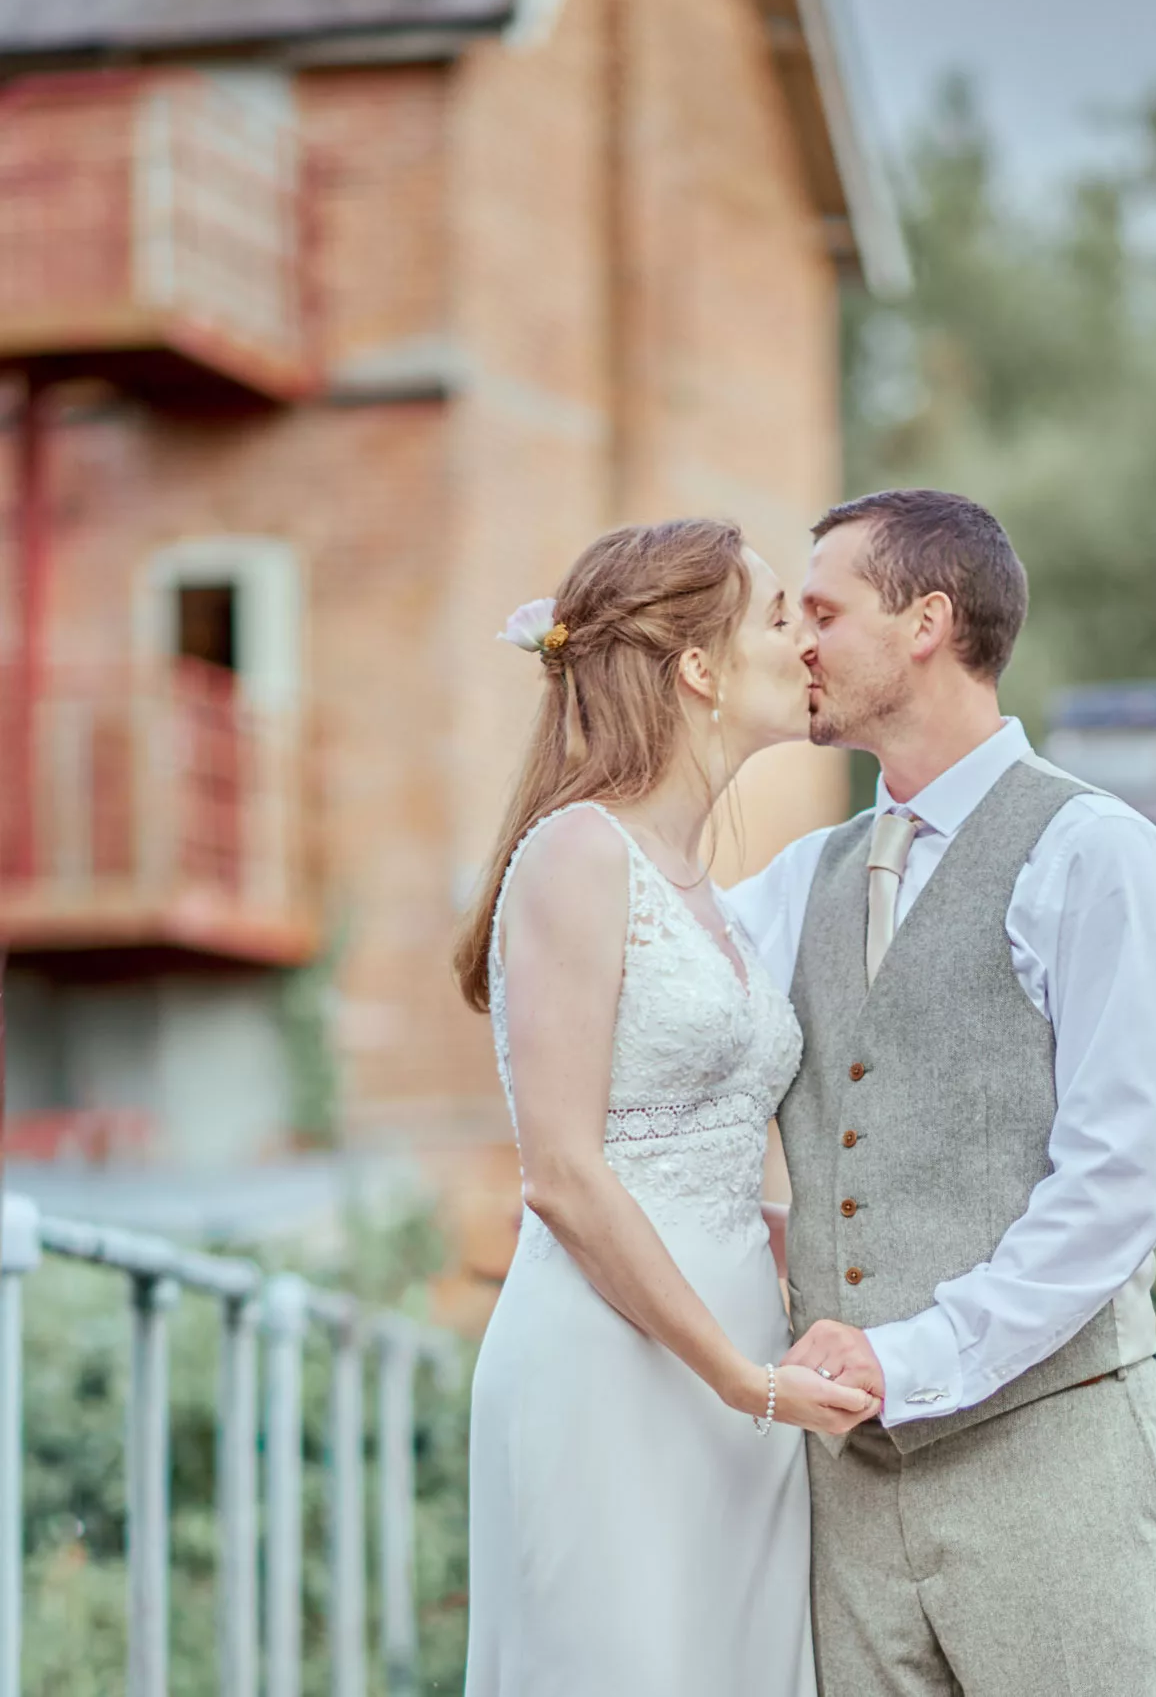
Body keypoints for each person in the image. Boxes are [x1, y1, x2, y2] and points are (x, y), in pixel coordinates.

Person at [724, 487, 1156, 1697]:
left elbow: (1121, 1179)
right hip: (845, 1497)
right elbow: (651, 996)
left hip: (1050, 1468)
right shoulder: (800, 879)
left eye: (824, 611)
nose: (799, 643)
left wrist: (920, 1351)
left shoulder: (1097, 856)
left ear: (926, 619)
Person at [454, 517, 875, 1697]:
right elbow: (564, 1175)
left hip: (742, 1367)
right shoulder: (576, 854)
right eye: (776, 617)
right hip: (621, 1366)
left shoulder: (707, 893)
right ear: (697, 667)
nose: (802, 645)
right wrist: (742, 1382)